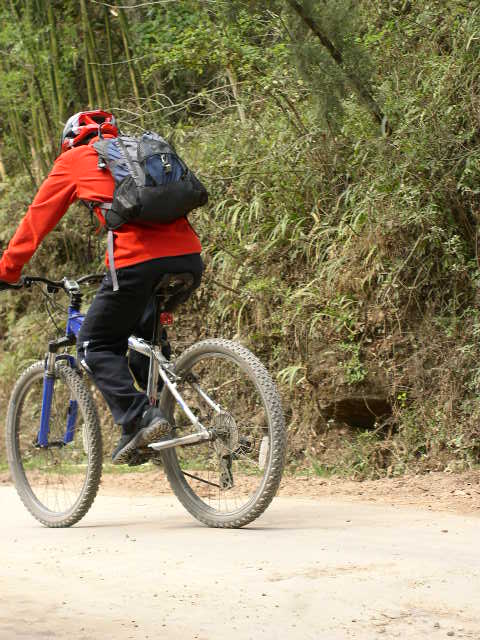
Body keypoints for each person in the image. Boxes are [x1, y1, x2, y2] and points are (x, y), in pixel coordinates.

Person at [0, 110, 203, 464]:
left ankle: (139, 418)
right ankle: (160, 427)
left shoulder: (74, 160)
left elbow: (36, 221)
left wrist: (7, 270)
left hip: (136, 264)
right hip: (189, 258)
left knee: (94, 345)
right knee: (144, 343)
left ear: (69, 141)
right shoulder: (138, 150)